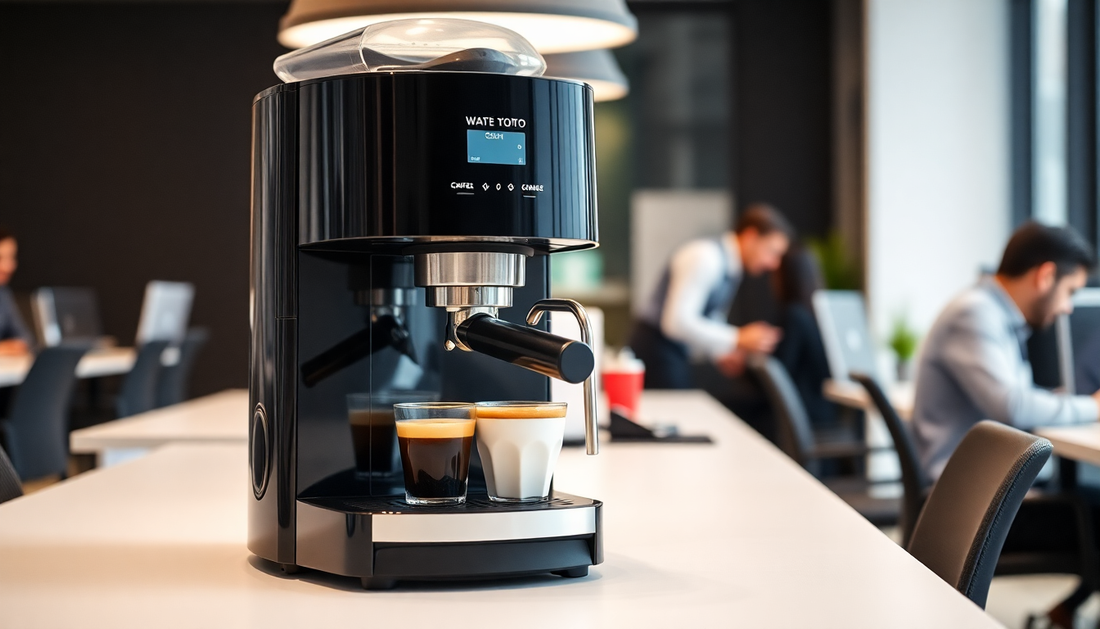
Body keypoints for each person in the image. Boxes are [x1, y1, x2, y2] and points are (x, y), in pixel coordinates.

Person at [912, 221, 1100, 481]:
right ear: (1045, 276)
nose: (1068, 307)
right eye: (1070, 292)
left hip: (982, 486)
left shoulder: (997, 316)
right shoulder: (975, 313)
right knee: (1087, 509)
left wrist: (1055, 399)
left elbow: (1013, 397)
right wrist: (1093, 407)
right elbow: (1011, 406)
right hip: (966, 497)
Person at [629, 203, 791, 390]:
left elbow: (708, 316)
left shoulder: (731, 266)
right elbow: (676, 322)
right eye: (772, 252)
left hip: (671, 353)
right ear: (751, 236)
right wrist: (738, 337)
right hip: (655, 351)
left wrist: (719, 351)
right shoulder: (705, 257)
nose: (774, 264)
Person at [0, 227, 33, 356]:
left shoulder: (3, 294)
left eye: (12, 258)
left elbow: (25, 340)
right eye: (0, 258)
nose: (8, 266)